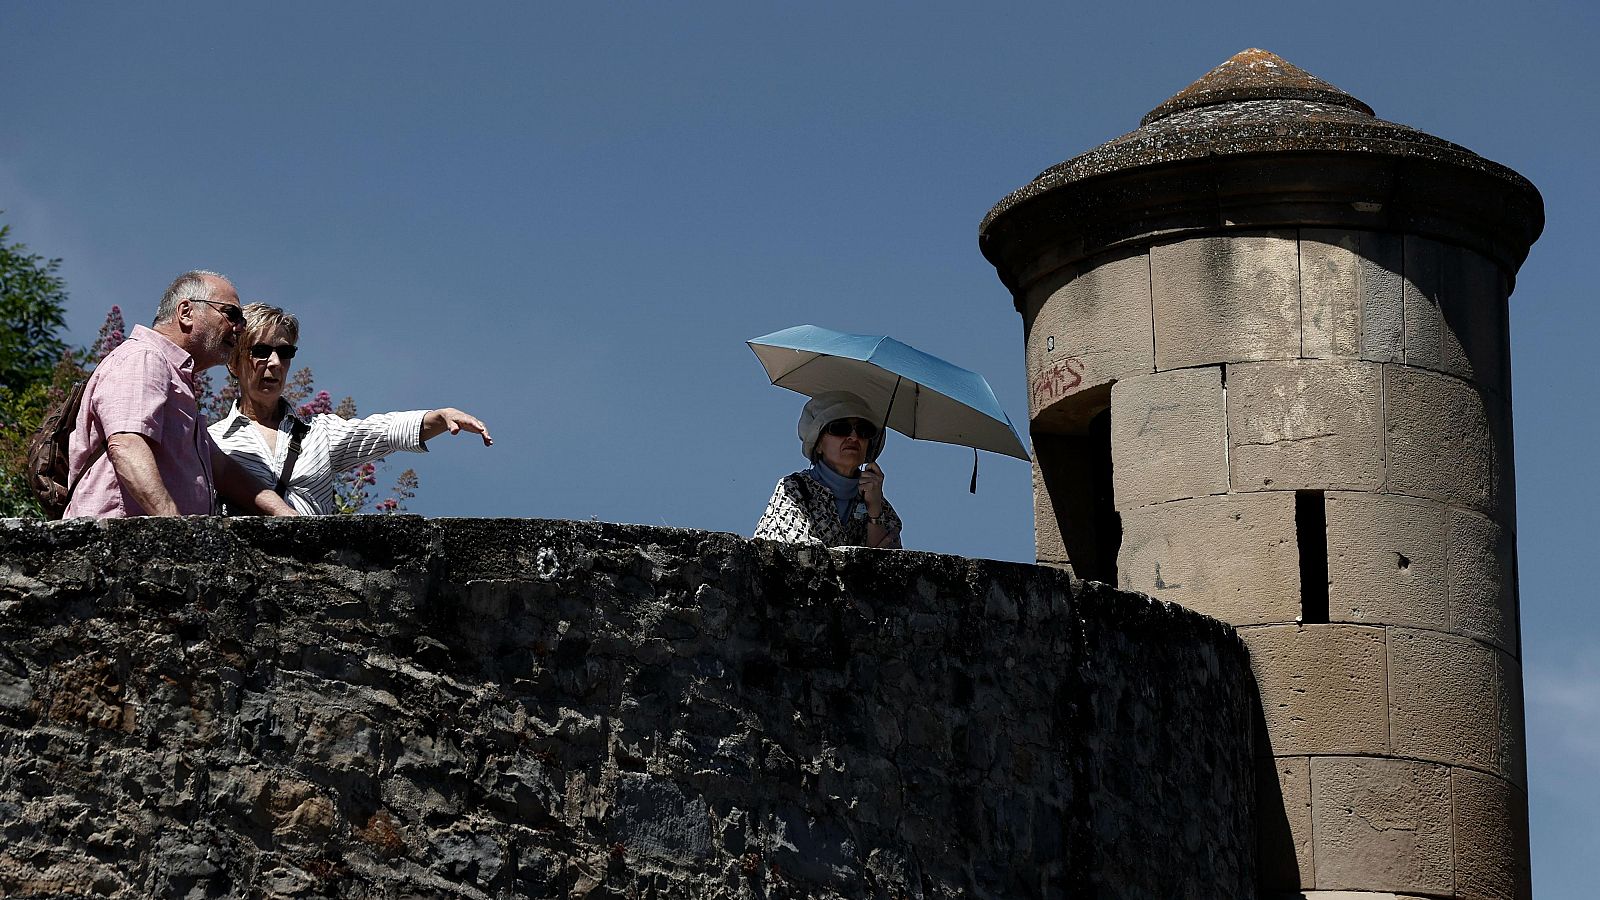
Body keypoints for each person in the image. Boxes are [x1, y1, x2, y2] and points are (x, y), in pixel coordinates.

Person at [209, 303, 493, 514]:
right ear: (233, 363)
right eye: (260, 351)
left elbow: (383, 431)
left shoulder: (319, 433)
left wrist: (441, 417)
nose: (274, 362)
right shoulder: (213, 441)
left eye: (284, 353)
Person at [64, 271, 297, 518]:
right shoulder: (144, 357)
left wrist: (285, 513)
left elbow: (223, 470)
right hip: (122, 547)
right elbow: (126, 444)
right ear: (186, 312)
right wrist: (179, 532)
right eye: (232, 315)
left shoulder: (175, 378)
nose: (240, 328)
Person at [754, 390, 902, 548]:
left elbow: (884, 565)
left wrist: (874, 509)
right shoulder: (794, 489)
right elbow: (802, 558)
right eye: (840, 428)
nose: (854, 437)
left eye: (863, 430)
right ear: (818, 444)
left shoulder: (878, 503)